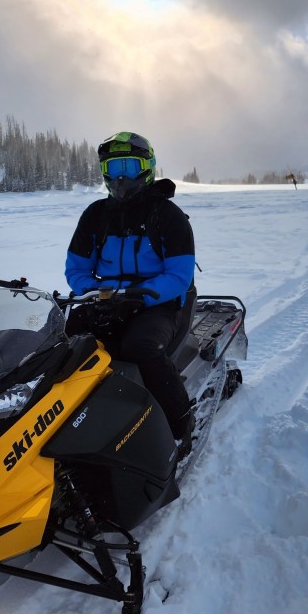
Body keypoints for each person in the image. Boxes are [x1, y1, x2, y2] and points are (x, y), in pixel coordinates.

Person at [64, 131, 196, 452]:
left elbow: (179, 275)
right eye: (113, 168)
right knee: (65, 344)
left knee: (140, 347)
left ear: (147, 168)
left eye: (129, 166)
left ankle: (180, 424)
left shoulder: (167, 215)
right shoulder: (96, 215)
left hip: (159, 303)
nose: (121, 177)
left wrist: (138, 296)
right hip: (107, 301)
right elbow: (76, 269)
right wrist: (99, 293)